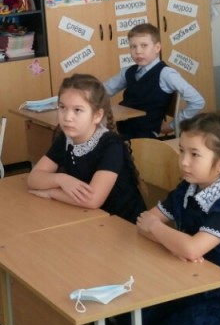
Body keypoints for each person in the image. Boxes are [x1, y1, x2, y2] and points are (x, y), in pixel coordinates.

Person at [131, 112, 220, 325]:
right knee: (136, 313)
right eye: (182, 151)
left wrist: (164, 234)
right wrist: (179, 244)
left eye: (194, 154)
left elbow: (187, 246)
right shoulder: (188, 187)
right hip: (193, 279)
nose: (184, 161)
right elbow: (144, 221)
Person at [27, 73, 147, 223]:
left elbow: (92, 200)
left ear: (97, 116)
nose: (67, 117)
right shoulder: (66, 139)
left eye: (77, 110)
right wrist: (61, 179)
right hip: (88, 217)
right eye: (62, 107)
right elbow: (33, 178)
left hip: (122, 224)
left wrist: (51, 193)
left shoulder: (111, 145)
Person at [103, 23, 205, 140]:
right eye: (133, 46)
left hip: (145, 135)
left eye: (144, 45)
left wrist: (172, 126)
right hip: (122, 129)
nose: (138, 51)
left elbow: (197, 101)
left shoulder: (166, 74)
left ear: (157, 48)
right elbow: (103, 91)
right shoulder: (128, 71)